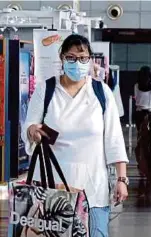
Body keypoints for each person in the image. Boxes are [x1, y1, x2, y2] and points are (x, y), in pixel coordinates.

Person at [22, 34, 129, 237]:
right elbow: (29, 125)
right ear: (62, 58)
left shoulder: (101, 92)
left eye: (82, 58)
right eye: (71, 58)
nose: (77, 63)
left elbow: (114, 139)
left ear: (90, 60)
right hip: (50, 188)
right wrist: (32, 131)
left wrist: (122, 179)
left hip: (92, 189)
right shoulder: (46, 89)